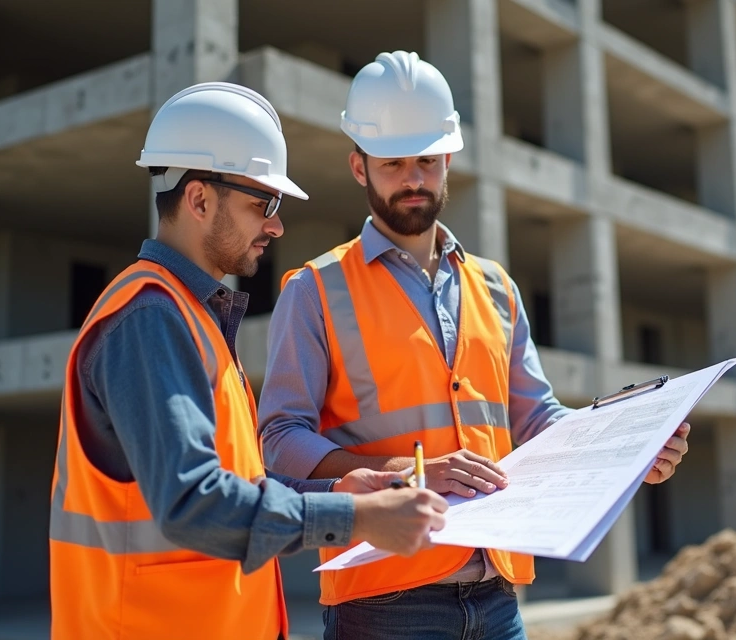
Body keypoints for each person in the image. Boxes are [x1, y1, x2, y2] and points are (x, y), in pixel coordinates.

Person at [259, 52, 691, 640]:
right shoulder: (313, 290)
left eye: (427, 161)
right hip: (384, 607)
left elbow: (538, 419)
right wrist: (407, 475)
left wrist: (631, 450)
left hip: (499, 599)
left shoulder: (496, 287)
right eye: (392, 163)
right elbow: (281, 444)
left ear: (449, 159)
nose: (413, 178)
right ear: (358, 166)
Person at [48, 82, 448, 640]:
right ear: (199, 200)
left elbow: (236, 483)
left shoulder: (189, 314)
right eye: (263, 205)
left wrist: (337, 492)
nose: (276, 226)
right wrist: (358, 519)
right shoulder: (149, 320)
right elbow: (193, 502)